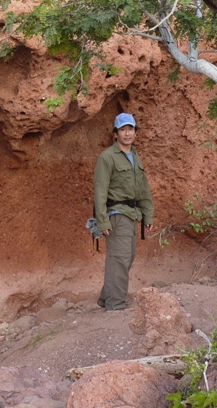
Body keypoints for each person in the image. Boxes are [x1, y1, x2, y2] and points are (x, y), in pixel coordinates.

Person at [93, 113, 155, 311]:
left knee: (126, 257)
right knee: (119, 259)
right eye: (123, 129)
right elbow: (100, 190)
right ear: (115, 133)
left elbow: (143, 188)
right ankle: (115, 304)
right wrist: (101, 221)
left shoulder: (135, 156)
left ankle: (107, 298)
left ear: (136, 132)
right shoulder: (107, 157)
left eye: (130, 129)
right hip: (116, 215)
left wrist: (148, 214)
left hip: (132, 214)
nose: (127, 133)